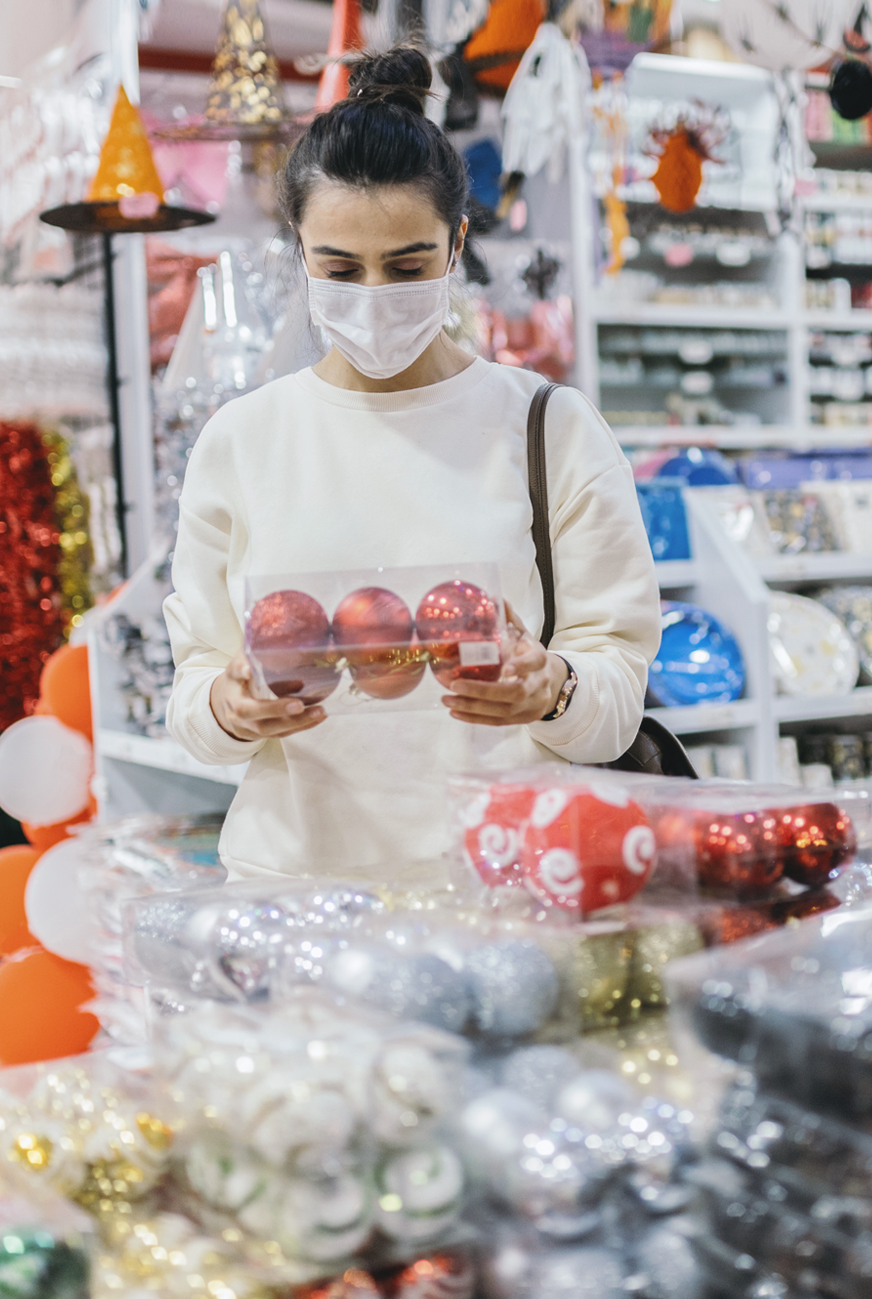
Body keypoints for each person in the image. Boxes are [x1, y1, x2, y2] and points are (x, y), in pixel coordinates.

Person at [163, 47, 661, 880]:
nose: (373, 297)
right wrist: (232, 704)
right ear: (300, 250)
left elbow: (615, 700)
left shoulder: (551, 429)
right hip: (301, 901)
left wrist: (552, 688)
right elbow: (193, 700)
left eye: (407, 266)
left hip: (507, 889)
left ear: (456, 243)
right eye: (338, 268)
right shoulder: (243, 442)